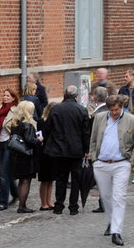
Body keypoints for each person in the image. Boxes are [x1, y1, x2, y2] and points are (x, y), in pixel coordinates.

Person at [89, 95, 134, 246]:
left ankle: (116, 231)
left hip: (121, 163)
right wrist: (94, 159)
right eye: (111, 110)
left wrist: (130, 162)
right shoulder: (99, 118)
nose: (114, 113)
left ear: (122, 107)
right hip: (101, 163)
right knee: (105, 196)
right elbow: (93, 140)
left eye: (117, 110)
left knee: (119, 197)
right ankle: (112, 221)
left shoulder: (131, 119)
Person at [44, 85, 90, 215]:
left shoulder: (55, 109)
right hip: (76, 150)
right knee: (75, 180)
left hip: (59, 150)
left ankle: (58, 206)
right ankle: (73, 207)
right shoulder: (82, 110)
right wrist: (86, 149)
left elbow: (48, 129)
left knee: (60, 179)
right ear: (76, 97)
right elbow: (85, 132)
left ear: (65, 95)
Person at [8, 101, 43, 213]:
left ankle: (21, 205)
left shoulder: (15, 122)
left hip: (17, 155)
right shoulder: (27, 124)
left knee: (21, 181)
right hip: (26, 156)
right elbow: (30, 141)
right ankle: (22, 206)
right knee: (25, 181)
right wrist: (39, 140)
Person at [37, 102, 57, 211]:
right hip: (44, 152)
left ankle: (49, 201)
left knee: (51, 179)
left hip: (53, 152)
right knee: (45, 179)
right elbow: (39, 135)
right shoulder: (41, 121)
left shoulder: (56, 122)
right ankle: (43, 203)